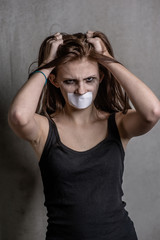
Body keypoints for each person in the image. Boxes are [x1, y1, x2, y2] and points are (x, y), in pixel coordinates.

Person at [8, 30, 160, 240]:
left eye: (90, 79)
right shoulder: (45, 129)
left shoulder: (118, 123)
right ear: (54, 81)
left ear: (101, 77)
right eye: (70, 81)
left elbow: (153, 112)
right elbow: (18, 116)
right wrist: (49, 64)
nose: (81, 90)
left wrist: (107, 60)